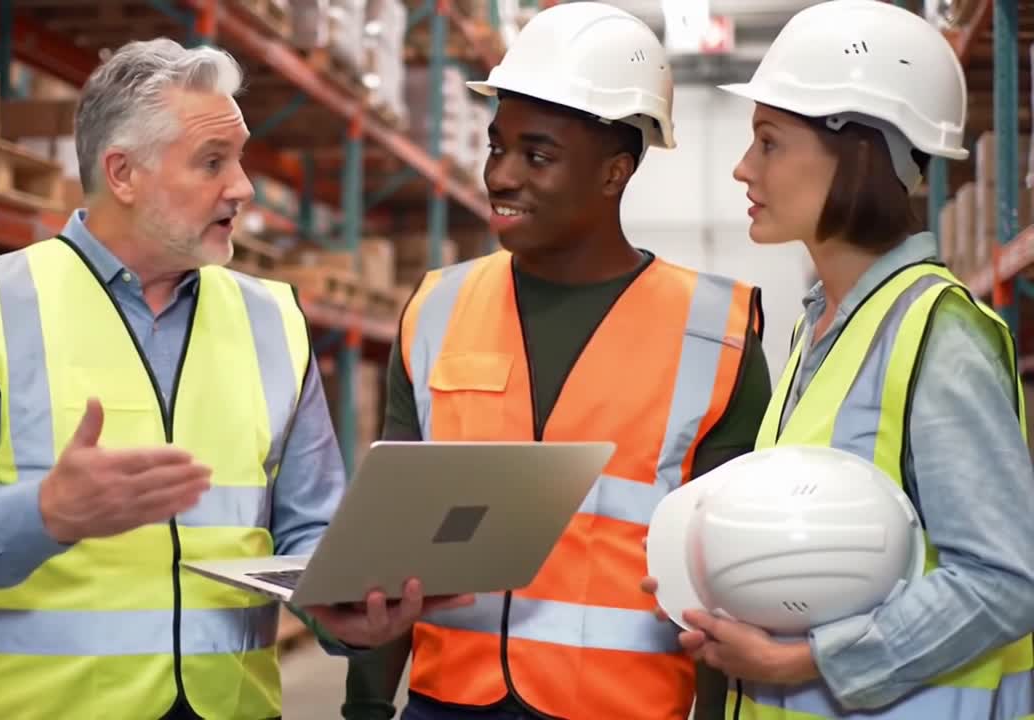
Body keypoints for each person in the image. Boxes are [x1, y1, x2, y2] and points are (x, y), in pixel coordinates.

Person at [0, 38, 470, 720]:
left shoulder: (271, 317)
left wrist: (347, 616)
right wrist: (44, 514)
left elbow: (312, 530)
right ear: (123, 173)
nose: (242, 187)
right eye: (213, 162)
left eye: (239, 160)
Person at [342, 4, 773, 720]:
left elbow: (724, 587)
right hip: (444, 703)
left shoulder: (718, 336)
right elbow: (394, 548)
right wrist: (363, 706)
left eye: (537, 155)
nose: (501, 176)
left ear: (614, 173)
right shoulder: (434, 312)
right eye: (496, 146)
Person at [643, 1, 1034, 717]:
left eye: (769, 142)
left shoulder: (935, 334)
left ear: (859, 154)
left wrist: (809, 661)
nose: (741, 167)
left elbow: (1007, 579)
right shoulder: (817, 331)